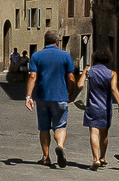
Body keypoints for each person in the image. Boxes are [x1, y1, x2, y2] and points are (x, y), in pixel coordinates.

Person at [26, 30, 81, 168]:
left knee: (44, 128)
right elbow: (71, 77)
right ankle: (60, 146)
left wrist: (28, 96)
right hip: (61, 96)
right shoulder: (65, 56)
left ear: (45, 41)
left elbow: (33, 77)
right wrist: (71, 93)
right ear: (57, 41)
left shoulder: (36, 56)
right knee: (60, 126)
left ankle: (45, 157)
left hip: (43, 97)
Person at [82, 51, 119, 169]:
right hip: (105, 107)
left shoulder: (89, 71)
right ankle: (102, 157)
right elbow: (114, 89)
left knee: (93, 133)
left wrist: (85, 73)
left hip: (92, 106)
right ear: (108, 60)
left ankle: (95, 159)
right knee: (104, 134)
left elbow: (80, 85)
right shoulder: (112, 73)